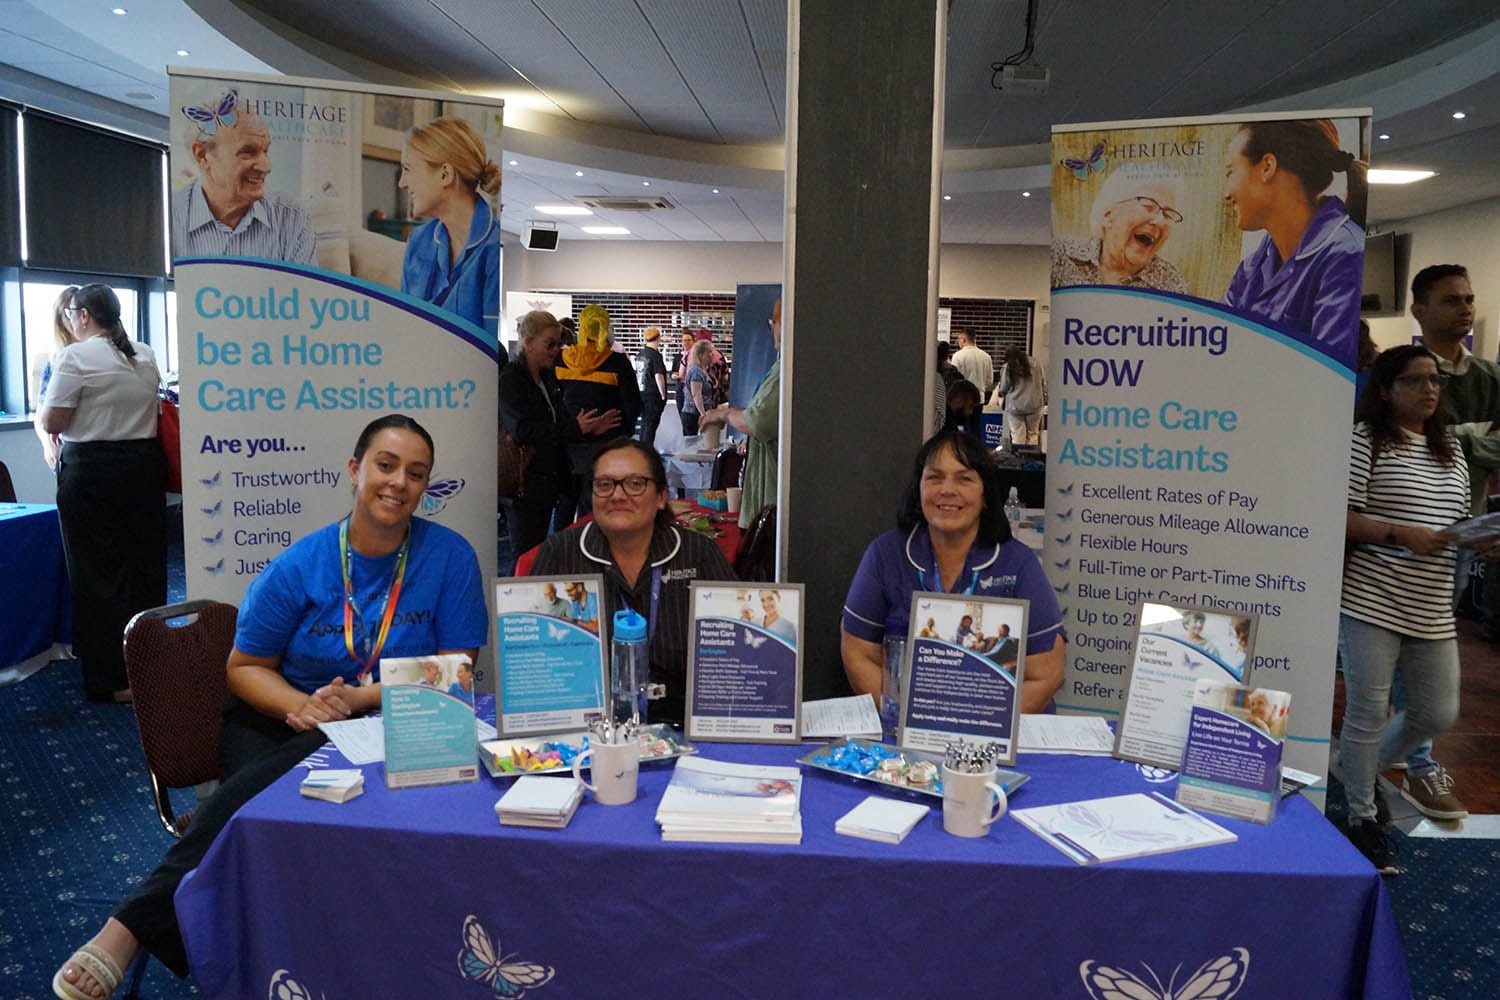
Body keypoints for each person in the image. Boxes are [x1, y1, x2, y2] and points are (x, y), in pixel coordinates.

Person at [52, 414, 489, 1000]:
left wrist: (355, 699)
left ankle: (132, 924)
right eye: (385, 466)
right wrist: (306, 706)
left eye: (416, 473)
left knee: (300, 777)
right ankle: (140, 927)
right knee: (265, 792)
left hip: (398, 719)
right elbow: (244, 668)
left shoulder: (451, 558)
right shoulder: (300, 565)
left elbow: (455, 671)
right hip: (280, 718)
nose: (399, 483)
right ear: (355, 471)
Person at [1339, 345, 1468, 874]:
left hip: (1433, 602)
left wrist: (1478, 540)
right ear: (1387, 389)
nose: (1429, 388)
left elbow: (1454, 520)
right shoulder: (1365, 440)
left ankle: (1357, 768)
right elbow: (1341, 518)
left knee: (1437, 713)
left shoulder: (1451, 449)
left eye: (1434, 379)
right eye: (1415, 381)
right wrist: (1398, 534)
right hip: (1373, 595)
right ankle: (1362, 819)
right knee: (1367, 713)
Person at [841, 429, 1066, 714]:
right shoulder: (885, 555)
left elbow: (1045, 675)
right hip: (905, 733)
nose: (947, 490)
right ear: (918, 488)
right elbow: (858, 654)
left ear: (986, 495)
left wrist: (979, 728)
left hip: (998, 738)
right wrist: (908, 718)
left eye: (965, 479)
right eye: (934, 477)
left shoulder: (1018, 564)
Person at [531, 438, 735, 724]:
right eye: (604, 484)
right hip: (585, 726)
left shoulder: (698, 554)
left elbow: (735, 652)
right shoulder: (560, 554)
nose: (617, 495)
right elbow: (535, 658)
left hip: (687, 724)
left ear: (662, 497)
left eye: (635, 483)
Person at [1400, 263, 1499, 818]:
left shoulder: (1489, 377)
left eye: (1469, 298)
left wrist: (1453, 440)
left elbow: (1447, 445)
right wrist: (1468, 439)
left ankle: (1411, 758)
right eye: (1450, 300)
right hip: (1403, 536)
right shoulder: (1402, 372)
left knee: (1434, 653)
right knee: (1390, 660)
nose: (1464, 309)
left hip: (1469, 531)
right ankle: (1411, 761)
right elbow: (1406, 443)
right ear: (1419, 309)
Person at [38, 284, 165, 704]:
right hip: (144, 466)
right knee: (145, 569)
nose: (68, 321)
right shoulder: (144, 354)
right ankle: (149, 667)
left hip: (93, 472)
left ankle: (112, 678)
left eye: (70, 313)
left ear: (85, 314)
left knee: (98, 575)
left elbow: (53, 418)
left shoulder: (76, 356)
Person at [1221, 118, 1367, 355]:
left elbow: (1328, 375)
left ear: (1267, 166)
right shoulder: (1251, 269)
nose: (1226, 193)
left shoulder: (1346, 254)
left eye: (1230, 172)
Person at [499, 310, 621, 556]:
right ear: (529, 342)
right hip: (525, 484)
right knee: (526, 556)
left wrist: (587, 429)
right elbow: (522, 430)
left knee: (539, 552)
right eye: (550, 344)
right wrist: (576, 428)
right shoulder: (512, 380)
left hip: (547, 480)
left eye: (559, 343)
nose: (556, 350)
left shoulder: (547, 377)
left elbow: (556, 425)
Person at [171, 96, 315, 263]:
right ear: (202, 155)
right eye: (248, 152)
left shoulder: (291, 218)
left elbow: (303, 289)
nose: (266, 167)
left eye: (266, 151)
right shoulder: (171, 218)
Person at [398, 116, 502, 337]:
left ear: (445, 174)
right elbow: (405, 331)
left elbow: (489, 352)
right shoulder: (418, 241)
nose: (402, 183)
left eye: (408, 169)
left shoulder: (494, 247)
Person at [701, 299, 781, 528]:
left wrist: (722, 415)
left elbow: (757, 421)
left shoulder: (786, 371)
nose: (771, 329)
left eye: (773, 323)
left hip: (772, 506)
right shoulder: (780, 368)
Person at [556, 305, 642, 519]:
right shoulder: (617, 363)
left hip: (564, 448)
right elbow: (632, 406)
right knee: (594, 511)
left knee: (563, 511)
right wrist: (621, 433)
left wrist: (571, 428)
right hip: (605, 448)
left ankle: (561, 551)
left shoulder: (560, 360)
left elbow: (551, 403)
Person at [1051, 166, 1189, 293]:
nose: (1159, 221)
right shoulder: (1061, 253)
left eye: (1168, 214)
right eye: (1148, 205)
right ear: (1108, 215)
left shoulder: (1171, 286)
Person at [33, 284, 80, 470]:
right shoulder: (55, 362)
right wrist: (47, 444)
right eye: (67, 314)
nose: (72, 320)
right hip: (67, 449)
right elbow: (41, 416)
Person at [990, 345, 1047, 447]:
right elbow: (1043, 383)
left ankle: (1019, 458)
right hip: (1035, 405)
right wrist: (1045, 400)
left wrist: (1000, 395)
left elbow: (1003, 388)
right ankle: (1031, 459)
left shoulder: (1008, 367)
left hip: (1015, 407)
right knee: (1033, 434)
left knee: (1017, 435)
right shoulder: (1036, 363)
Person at [635, 326, 669, 446]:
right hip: (653, 395)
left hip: (641, 393)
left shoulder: (641, 353)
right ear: (658, 338)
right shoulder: (655, 355)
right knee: (651, 425)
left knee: (645, 423)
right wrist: (663, 394)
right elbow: (658, 376)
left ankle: (642, 449)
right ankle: (647, 450)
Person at [680, 338, 715, 436]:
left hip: (697, 414)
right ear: (701, 355)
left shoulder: (702, 370)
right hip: (693, 415)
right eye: (710, 353)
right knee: (692, 445)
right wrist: (703, 414)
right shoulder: (696, 371)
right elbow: (696, 394)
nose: (712, 355)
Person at [950, 331, 994, 395]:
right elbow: (989, 381)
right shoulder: (986, 356)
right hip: (980, 396)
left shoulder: (957, 356)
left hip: (962, 396)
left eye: (959, 339)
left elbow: (953, 379)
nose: (958, 342)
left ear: (963, 340)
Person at [943, 378, 984, 445]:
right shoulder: (944, 424)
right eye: (970, 406)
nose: (971, 412)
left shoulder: (959, 419)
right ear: (958, 400)